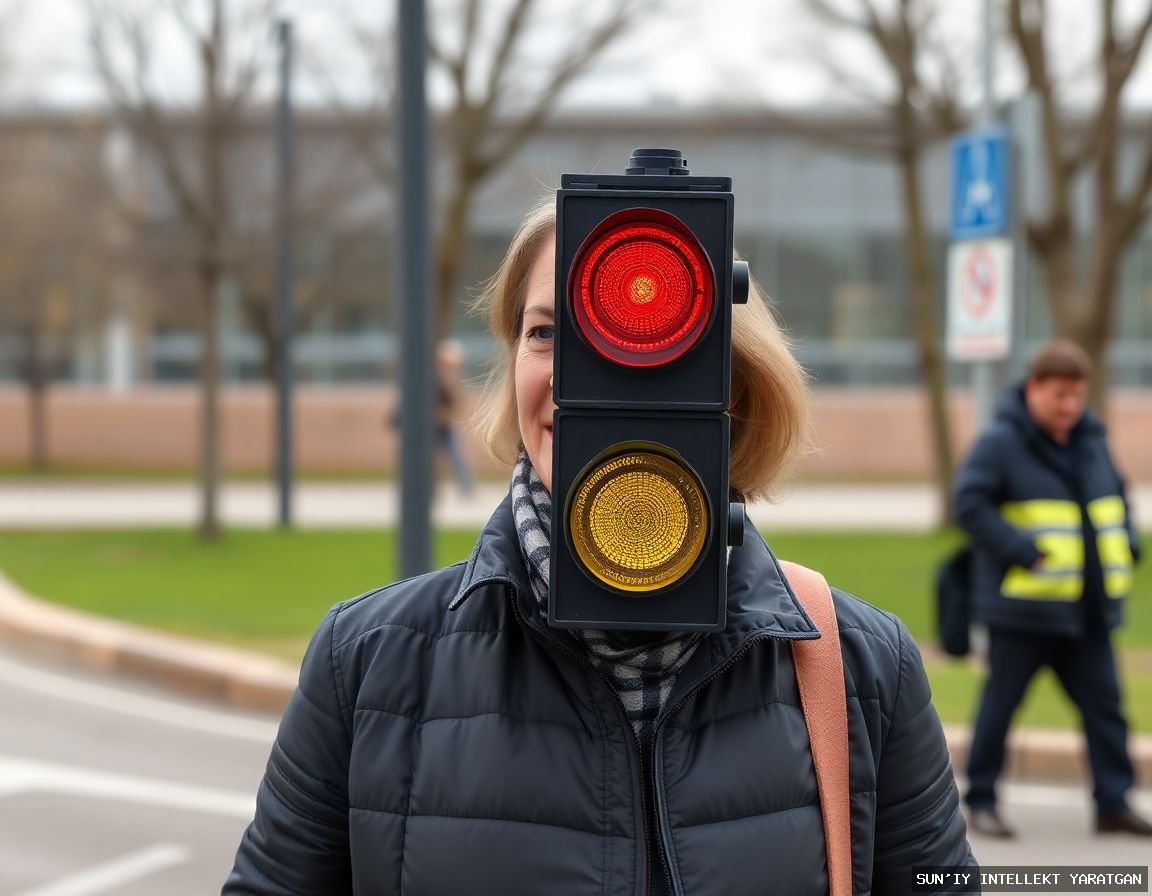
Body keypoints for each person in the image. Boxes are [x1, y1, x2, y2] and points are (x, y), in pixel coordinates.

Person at [224, 197, 975, 894]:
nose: (585, 379)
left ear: (733, 380)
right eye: (547, 334)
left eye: (641, 338)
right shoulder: (368, 664)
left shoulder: (862, 673)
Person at [953, 340, 1150, 840]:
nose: (1069, 407)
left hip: (1087, 611)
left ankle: (1113, 804)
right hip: (1023, 609)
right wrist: (1021, 548)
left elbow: (1117, 496)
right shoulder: (1001, 442)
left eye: (1077, 397)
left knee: (1106, 710)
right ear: (1035, 388)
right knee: (1000, 707)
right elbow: (969, 504)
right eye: (1060, 395)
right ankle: (982, 801)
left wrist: (1127, 540)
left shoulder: (1091, 439)